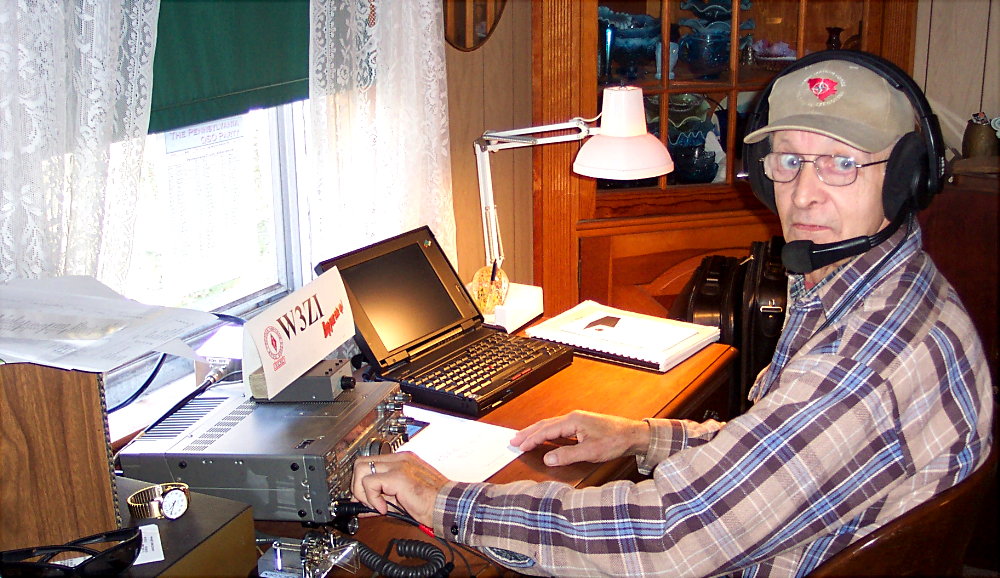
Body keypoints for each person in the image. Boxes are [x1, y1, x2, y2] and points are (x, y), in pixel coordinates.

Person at [352, 53, 994, 577]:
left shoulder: (868, 362)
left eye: (842, 164)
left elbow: (670, 538)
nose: (804, 193)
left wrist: (445, 500)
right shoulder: (879, 290)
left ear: (908, 177)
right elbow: (784, 454)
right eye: (791, 161)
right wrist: (643, 437)